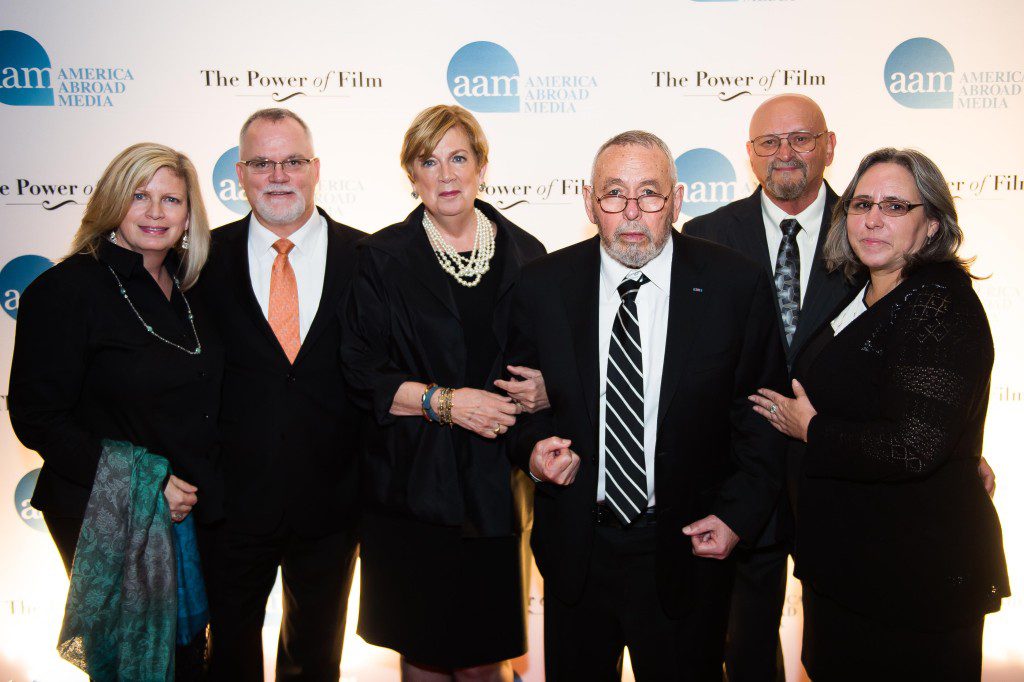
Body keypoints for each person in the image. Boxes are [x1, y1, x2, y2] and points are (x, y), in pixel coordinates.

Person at [685, 94, 997, 681]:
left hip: (890, 542)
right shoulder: (710, 236)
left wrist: (957, 450)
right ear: (749, 154)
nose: (873, 217)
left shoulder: (899, 274)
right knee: (749, 648)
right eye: (768, 142)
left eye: (894, 206)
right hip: (753, 486)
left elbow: (920, 418)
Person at [506, 130, 787, 680]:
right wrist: (534, 450)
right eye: (613, 194)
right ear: (590, 204)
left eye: (650, 194)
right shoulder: (543, 285)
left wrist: (737, 516)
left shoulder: (736, 285)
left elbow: (763, 415)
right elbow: (518, 403)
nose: (632, 212)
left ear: (677, 201)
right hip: (577, 553)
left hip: (688, 550)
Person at [750, 148, 1010, 681]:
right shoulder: (865, 293)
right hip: (851, 569)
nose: (871, 218)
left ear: (932, 224)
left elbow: (912, 446)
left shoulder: (938, 303)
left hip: (912, 579)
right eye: (862, 203)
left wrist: (811, 428)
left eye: (895, 206)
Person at [340, 104, 546, 682]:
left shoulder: (527, 254)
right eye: (429, 161)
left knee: (487, 658)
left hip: (496, 485)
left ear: (482, 166)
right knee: (423, 653)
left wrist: (546, 388)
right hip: (410, 486)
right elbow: (359, 371)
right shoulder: (381, 259)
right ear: (412, 175)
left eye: (459, 157)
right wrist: (447, 402)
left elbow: (552, 361)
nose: (446, 174)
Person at [9, 142, 222, 676]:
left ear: (189, 214)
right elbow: (36, 416)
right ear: (111, 202)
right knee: (137, 666)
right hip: (103, 510)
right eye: (139, 195)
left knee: (188, 659)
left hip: (189, 507)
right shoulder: (64, 290)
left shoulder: (194, 288)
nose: (155, 212)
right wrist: (147, 484)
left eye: (171, 199)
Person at [197, 108, 365, 681]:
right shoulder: (198, 262)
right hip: (228, 504)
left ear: (315, 169)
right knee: (229, 656)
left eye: (292, 161)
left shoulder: (370, 260)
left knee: (316, 660)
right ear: (240, 174)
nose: (278, 176)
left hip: (334, 501)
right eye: (262, 163)